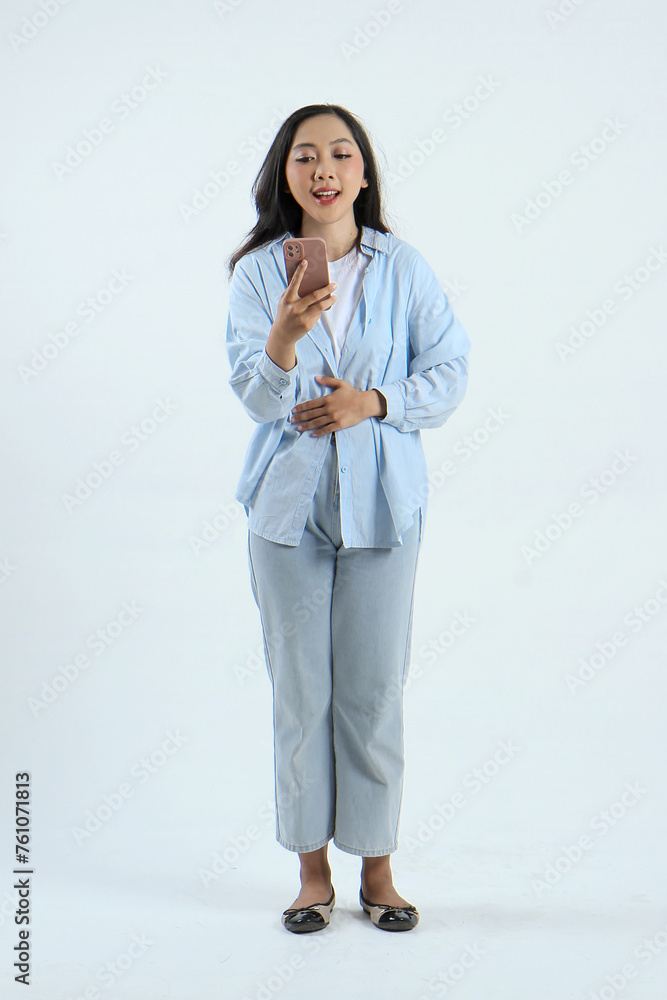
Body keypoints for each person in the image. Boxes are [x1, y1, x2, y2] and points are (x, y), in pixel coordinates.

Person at [225, 103, 470, 933]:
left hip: (383, 511)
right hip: (285, 515)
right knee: (301, 694)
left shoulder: (404, 269)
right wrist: (284, 339)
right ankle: (310, 875)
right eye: (304, 156)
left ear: (362, 173)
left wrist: (373, 402)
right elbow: (256, 398)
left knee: (371, 692)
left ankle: (378, 869)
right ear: (285, 174)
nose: (322, 169)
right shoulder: (259, 275)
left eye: (339, 154)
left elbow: (449, 371)